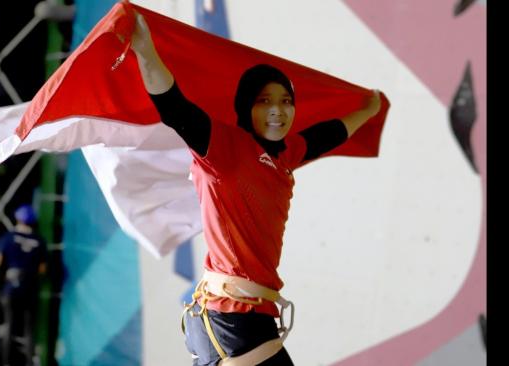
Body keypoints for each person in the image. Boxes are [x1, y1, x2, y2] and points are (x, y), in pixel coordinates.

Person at [127, 10, 382, 366]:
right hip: (232, 319)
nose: (278, 110)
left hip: (241, 318)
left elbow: (329, 134)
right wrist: (145, 51)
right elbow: (175, 107)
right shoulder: (221, 147)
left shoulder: (286, 154)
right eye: (265, 101)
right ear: (246, 108)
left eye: (286, 101)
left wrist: (369, 109)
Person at [0, 204, 48, 366]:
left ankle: (5, 361)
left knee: (10, 325)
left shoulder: (8, 237)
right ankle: (29, 363)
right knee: (29, 329)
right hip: (30, 288)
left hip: (11, 288)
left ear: (17, 218)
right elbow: (42, 269)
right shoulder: (40, 241)